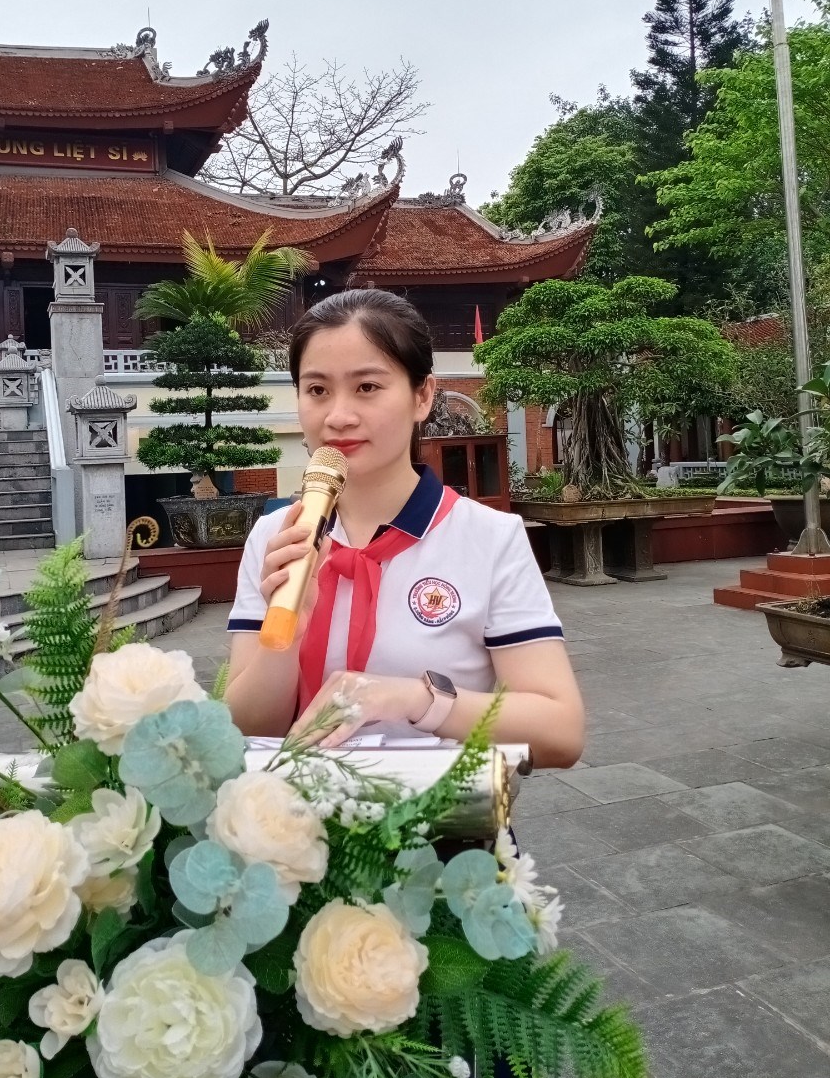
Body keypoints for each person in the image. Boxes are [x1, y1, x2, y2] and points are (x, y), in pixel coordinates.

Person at [224, 289, 584, 769]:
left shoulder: (489, 537)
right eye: (317, 390)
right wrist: (288, 628)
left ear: (423, 396)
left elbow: (561, 731)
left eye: (367, 387)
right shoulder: (277, 537)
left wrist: (414, 699)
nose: (338, 416)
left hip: (440, 814)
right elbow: (243, 732)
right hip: (292, 813)